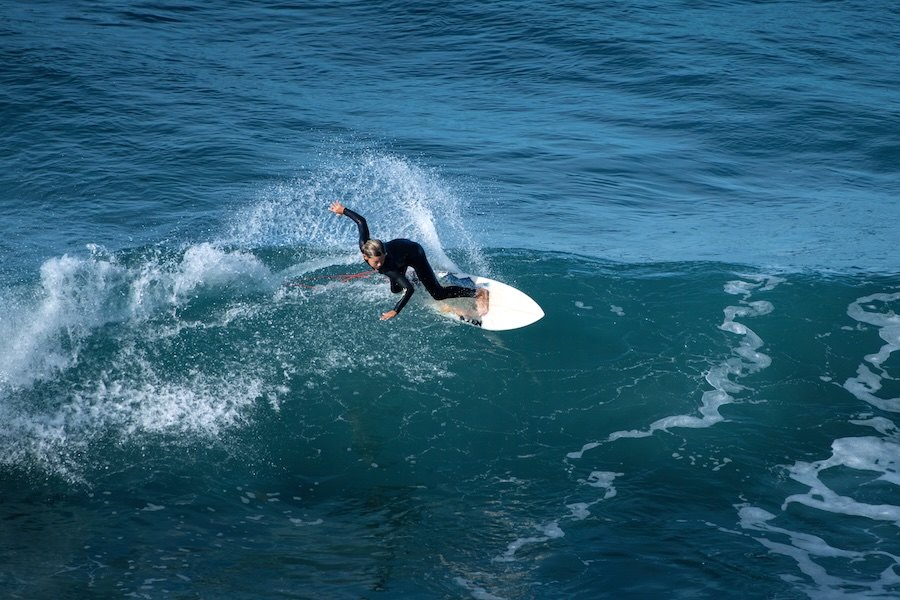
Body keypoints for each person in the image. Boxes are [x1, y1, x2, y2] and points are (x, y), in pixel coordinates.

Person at [329, 201, 488, 321]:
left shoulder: (387, 266)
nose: (379, 265)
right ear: (366, 257)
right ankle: (415, 276)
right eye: (376, 262)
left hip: (414, 253)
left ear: (384, 253)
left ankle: (478, 293)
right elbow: (361, 222)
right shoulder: (366, 246)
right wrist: (343, 211)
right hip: (400, 258)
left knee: (437, 294)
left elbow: (410, 290)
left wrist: (396, 310)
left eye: (381, 260)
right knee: (396, 290)